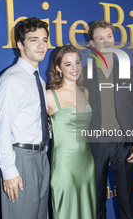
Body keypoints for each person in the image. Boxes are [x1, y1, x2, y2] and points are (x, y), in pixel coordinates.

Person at [83, 20, 133, 219]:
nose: (106, 41)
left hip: (124, 142)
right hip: (96, 143)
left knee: (127, 199)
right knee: (96, 199)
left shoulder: (128, 71)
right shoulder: (84, 74)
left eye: (109, 36)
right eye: (100, 38)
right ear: (92, 43)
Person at [0, 17, 50, 219]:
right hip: (21, 159)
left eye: (44, 40)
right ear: (20, 44)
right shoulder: (11, 80)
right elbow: (1, 129)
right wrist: (9, 172)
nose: (41, 45)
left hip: (42, 157)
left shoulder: (38, 80)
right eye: (34, 39)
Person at [46, 45, 96, 219]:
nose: (74, 68)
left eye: (77, 62)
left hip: (87, 161)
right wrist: (50, 127)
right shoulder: (49, 96)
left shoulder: (85, 92)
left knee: (86, 209)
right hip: (64, 164)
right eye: (68, 64)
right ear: (58, 68)